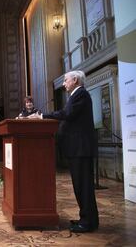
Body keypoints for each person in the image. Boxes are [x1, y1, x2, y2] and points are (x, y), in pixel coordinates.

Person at [28, 70, 99, 233]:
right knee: (80, 186)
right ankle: (86, 219)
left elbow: (67, 114)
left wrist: (42, 117)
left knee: (84, 186)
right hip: (77, 148)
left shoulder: (80, 94)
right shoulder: (77, 95)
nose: (63, 83)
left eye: (66, 80)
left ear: (75, 80)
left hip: (80, 148)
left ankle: (88, 222)